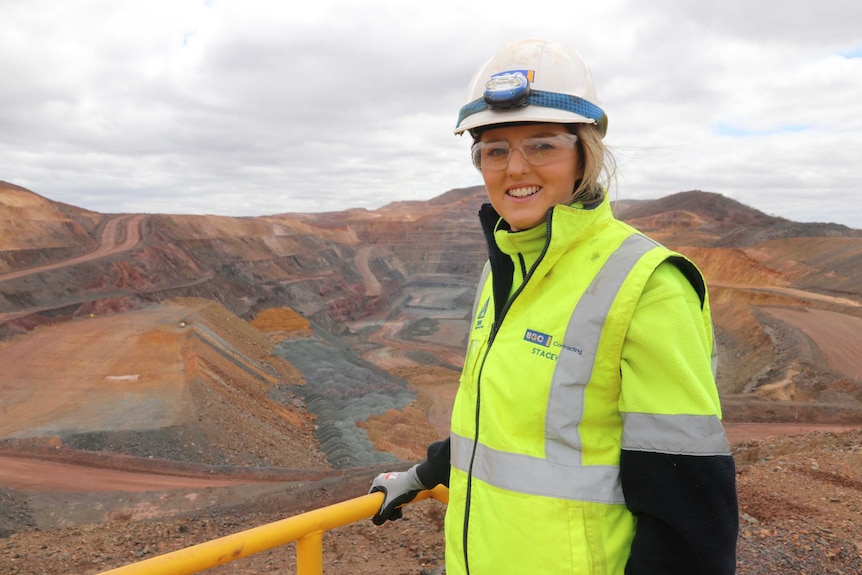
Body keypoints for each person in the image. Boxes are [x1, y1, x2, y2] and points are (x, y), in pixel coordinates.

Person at [369, 38, 738, 575]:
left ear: (584, 153)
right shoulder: (503, 270)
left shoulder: (648, 284)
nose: (515, 168)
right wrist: (423, 476)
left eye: (542, 145)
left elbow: (690, 507)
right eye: (494, 150)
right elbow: (506, 425)